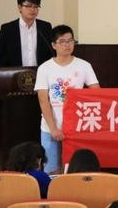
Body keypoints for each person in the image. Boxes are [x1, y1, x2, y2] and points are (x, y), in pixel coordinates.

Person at [34, 25, 100, 173]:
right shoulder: (45, 68)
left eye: (70, 41)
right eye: (63, 41)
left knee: (76, 170)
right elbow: (43, 101)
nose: (68, 45)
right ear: (54, 45)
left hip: (77, 128)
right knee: (51, 171)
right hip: (50, 128)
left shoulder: (84, 66)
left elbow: (97, 94)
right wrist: (53, 128)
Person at [0, 0, 53, 67]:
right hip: (15, 73)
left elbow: (52, 53)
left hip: (41, 72)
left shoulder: (45, 27)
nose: (32, 9)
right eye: (28, 6)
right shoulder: (7, 29)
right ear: (20, 7)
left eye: (36, 6)